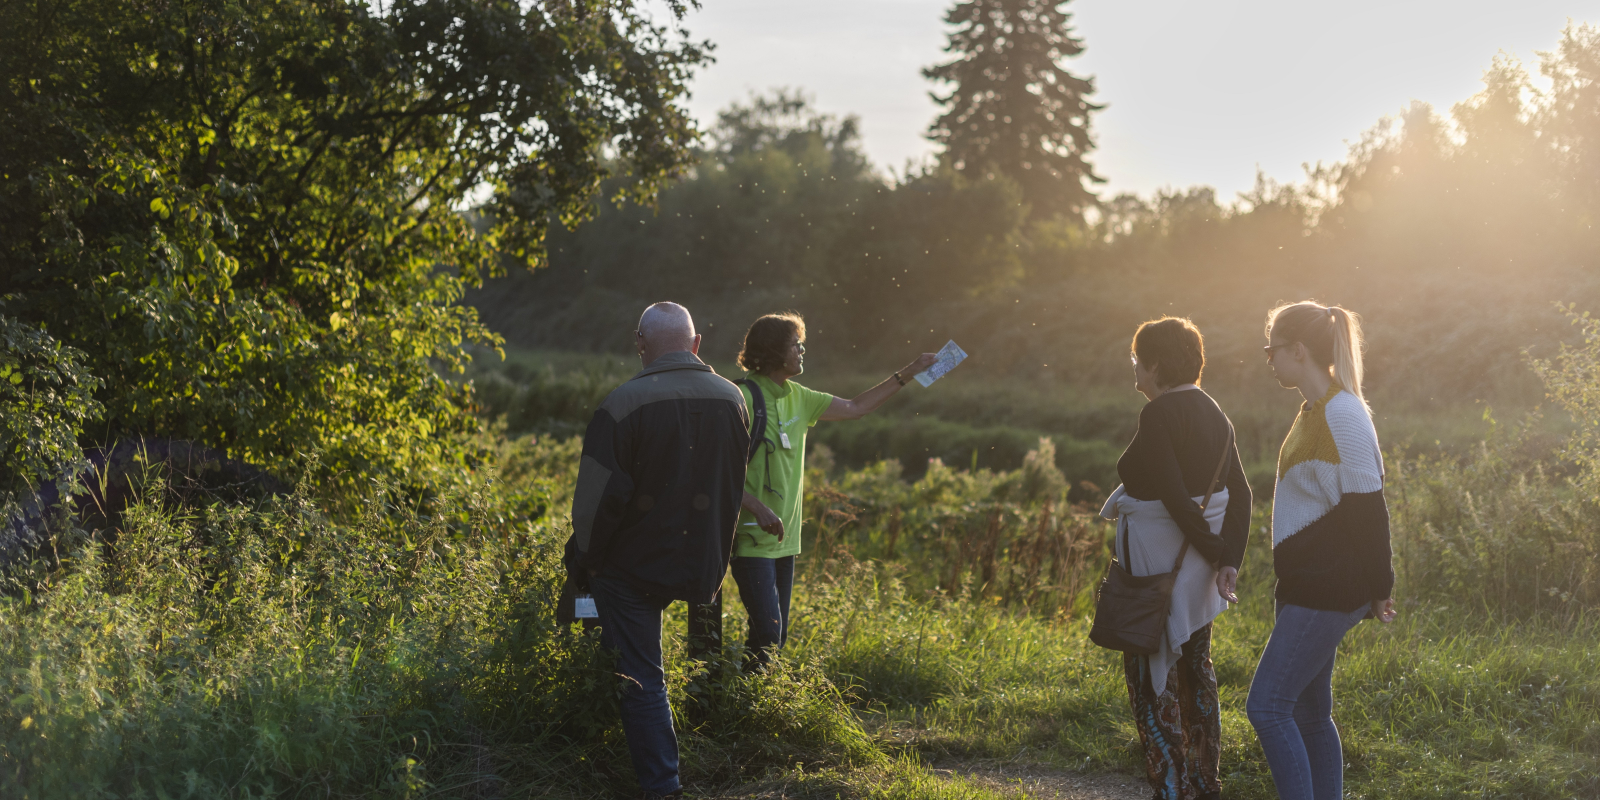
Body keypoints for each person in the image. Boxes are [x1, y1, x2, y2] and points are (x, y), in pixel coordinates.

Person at [562, 302, 749, 800]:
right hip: (704, 564)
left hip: (633, 566)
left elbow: (596, 505)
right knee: (675, 662)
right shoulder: (733, 398)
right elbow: (731, 482)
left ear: (639, 343)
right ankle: (709, 739)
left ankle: (662, 786)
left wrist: (585, 561)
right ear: (696, 343)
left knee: (642, 676)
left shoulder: (622, 404)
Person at [718, 312, 935, 670]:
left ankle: (750, 702)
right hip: (749, 537)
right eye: (795, 344)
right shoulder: (741, 397)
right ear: (774, 350)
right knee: (769, 632)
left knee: (774, 635)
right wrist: (755, 506)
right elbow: (715, 468)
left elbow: (856, 407)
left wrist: (908, 372)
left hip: (785, 540)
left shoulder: (800, 397)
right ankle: (743, 705)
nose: (802, 350)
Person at [1246, 301, 1397, 800]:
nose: (1267, 360)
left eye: (1271, 350)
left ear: (1298, 350)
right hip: (1305, 586)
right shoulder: (1314, 409)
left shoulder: (1344, 413)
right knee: (1310, 714)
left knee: (1267, 706)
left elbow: (1369, 512)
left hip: (1328, 589)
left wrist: (1381, 588)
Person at [1102, 316, 1251, 800]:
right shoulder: (1217, 414)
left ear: (1156, 364)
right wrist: (1227, 559)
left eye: (1137, 363)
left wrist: (1212, 552)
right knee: (1195, 663)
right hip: (1199, 572)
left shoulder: (1159, 414)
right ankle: (1204, 784)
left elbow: (1169, 492)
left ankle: (1169, 788)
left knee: (1151, 673)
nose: (1135, 374)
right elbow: (1242, 494)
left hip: (1159, 570)